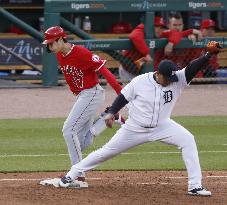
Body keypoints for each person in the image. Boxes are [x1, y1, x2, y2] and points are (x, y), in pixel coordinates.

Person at [45, 41, 222, 196]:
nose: (171, 81)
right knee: (106, 152)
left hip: (163, 126)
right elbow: (123, 97)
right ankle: (71, 175)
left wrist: (207, 55)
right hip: (134, 128)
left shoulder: (177, 79)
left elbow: (192, 67)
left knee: (188, 140)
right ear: (158, 74)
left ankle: (195, 186)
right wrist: (111, 112)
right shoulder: (141, 81)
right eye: (167, 78)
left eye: (172, 77)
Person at [41, 26, 124, 187]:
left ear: (60, 39)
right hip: (83, 96)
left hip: (92, 94)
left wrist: (122, 95)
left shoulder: (82, 53)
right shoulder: (60, 54)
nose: (49, 47)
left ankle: (78, 177)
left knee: (68, 129)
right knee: (80, 141)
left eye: (51, 43)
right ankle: (108, 118)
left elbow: (105, 72)